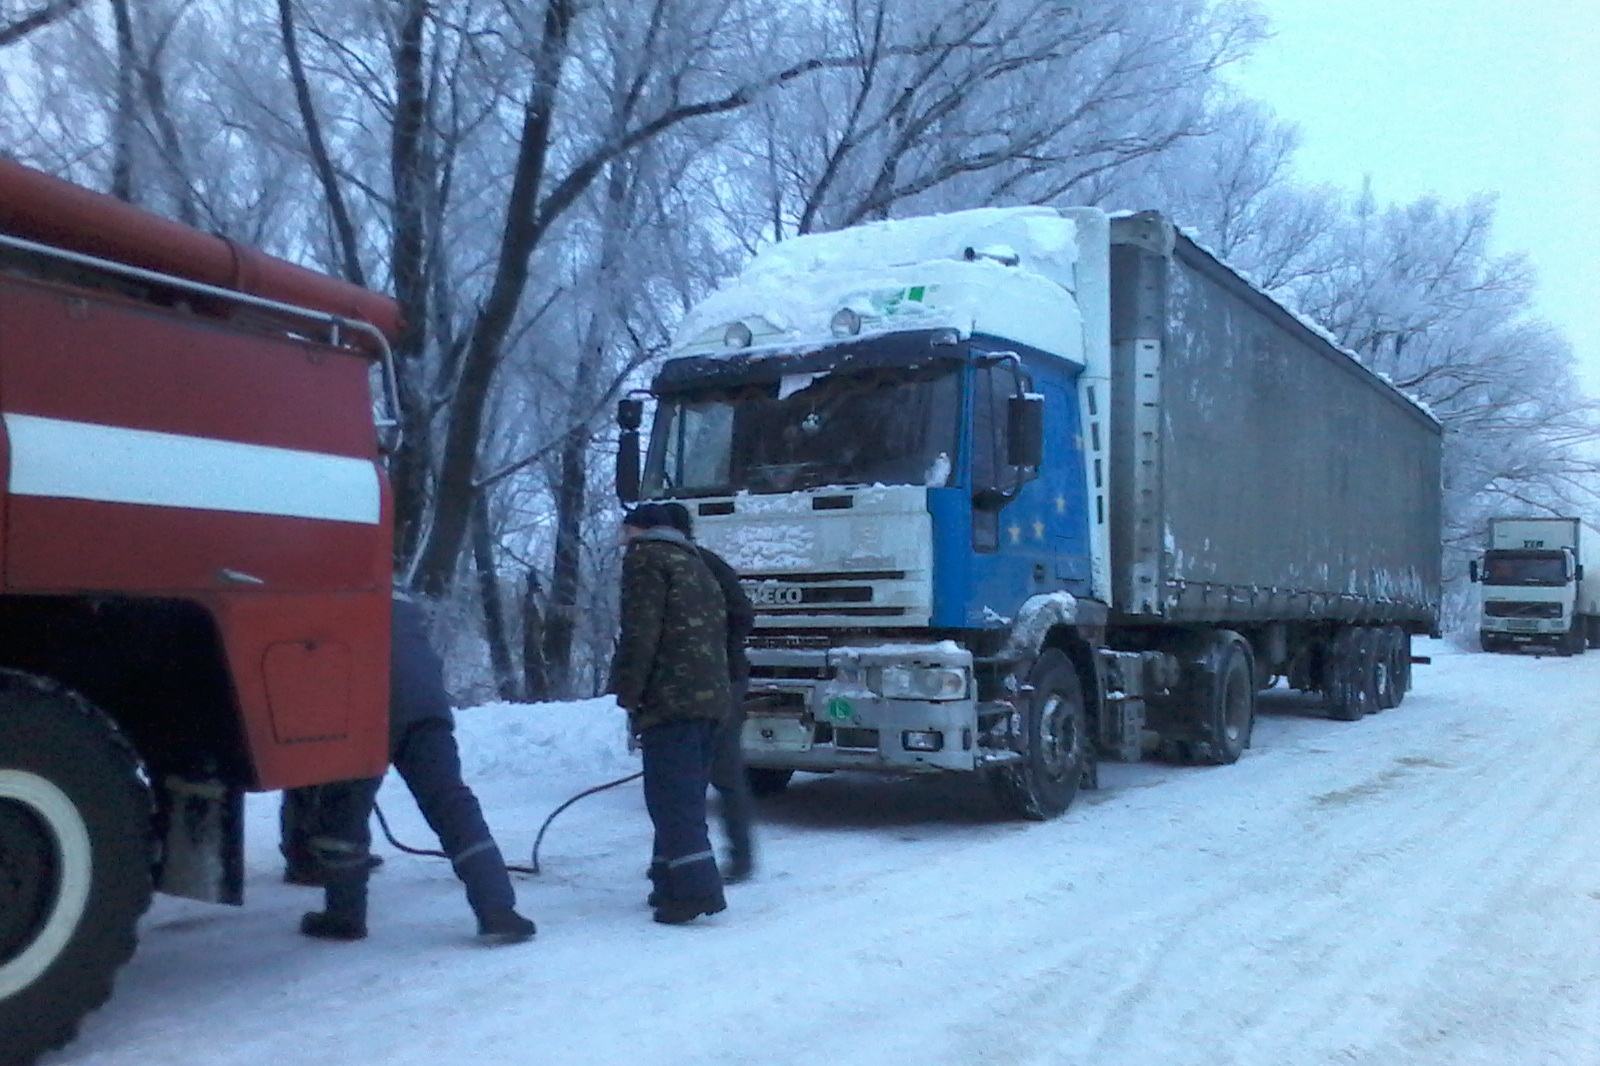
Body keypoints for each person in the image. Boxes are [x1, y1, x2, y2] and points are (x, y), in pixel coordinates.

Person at [294, 592, 537, 944]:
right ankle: (498, 910)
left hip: (363, 710)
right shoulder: (403, 601)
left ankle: (344, 916)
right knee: (452, 805)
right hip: (426, 710)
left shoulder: (324, 598)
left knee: (343, 812)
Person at [609, 503, 731, 924]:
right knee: (681, 792)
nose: (622, 537)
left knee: (671, 798)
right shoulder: (695, 561)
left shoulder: (645, 559)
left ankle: (697, 890)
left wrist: (628, 691)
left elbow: (641, 632)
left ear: (640, 528)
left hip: (671, 695)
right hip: (711, 694)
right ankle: (668, 880)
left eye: (625, 529)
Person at [659, 501, 757, 883]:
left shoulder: (700, 564)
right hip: (715, 678)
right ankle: (691, 857)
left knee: (722, 773)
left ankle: (734, 858)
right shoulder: (693, 563)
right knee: (705, 775)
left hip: (722, 680)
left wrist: (717, 649)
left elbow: (742, 615)